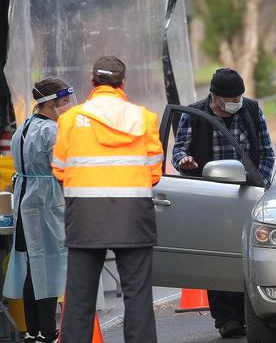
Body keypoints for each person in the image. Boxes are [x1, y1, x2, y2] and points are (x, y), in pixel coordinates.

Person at [52, 56, 163, 342]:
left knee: (79, 298)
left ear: (92, 81)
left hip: (86, 216)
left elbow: (60, 170)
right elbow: (154, 173)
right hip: (133, 215)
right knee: (137, 297)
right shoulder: (145, 118)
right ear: (123, 82)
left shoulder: (69, 120)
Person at [172, 68, 275, 337]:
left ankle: (247, 313)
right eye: (230, 98)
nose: (236, 102)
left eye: (239, 96)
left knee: (246, 255)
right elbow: (179, 150)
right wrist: (185, 162)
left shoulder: (251, 110)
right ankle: (226, 319)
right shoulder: (194, 114)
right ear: (215, 98)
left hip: (247, 195)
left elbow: (266, 152)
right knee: (216, 255)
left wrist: (258, 183)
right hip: (211, 198)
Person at [3, 78, 75, 343]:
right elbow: (61, 168)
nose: (67, 107)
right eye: (64, 102)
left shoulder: (23, 127)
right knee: (46, 267)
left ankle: (32, 330)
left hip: (26, 203)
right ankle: (48, 330)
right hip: (46, 203)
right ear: (50, 103)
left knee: (33, 267)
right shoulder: (51, 131)